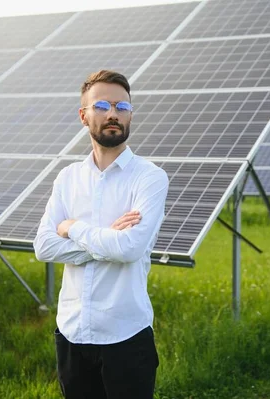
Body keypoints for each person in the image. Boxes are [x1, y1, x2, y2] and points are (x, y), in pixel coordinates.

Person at [33, 69, 169, 399]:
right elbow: (44, 246)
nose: (113, 114)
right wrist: (107, 236)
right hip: (72, 333)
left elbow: (130, 248)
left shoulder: (150, 178)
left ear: (130, 115)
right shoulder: (67, 178)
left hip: (126, 337)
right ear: (84, 115)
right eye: (103, 105)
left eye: (122, 107)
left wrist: (73, 229)